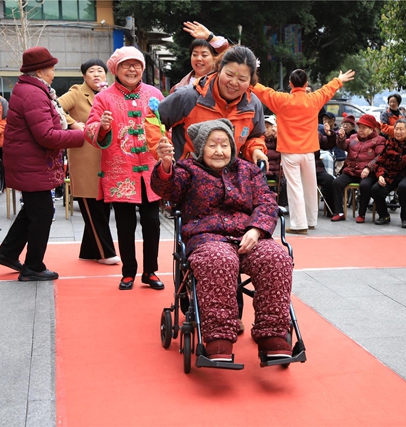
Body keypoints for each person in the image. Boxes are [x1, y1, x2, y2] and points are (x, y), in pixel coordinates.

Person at [151, 118, 294, 361]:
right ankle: (219, 338)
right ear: (200, 148)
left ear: (232, 147)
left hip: (248, 235)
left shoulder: (248, 171)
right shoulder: (187, 170)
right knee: (218, 260)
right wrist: (165, 165)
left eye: (224, 145)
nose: (219, 151)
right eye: (212, 145)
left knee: (276, 257)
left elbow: (266, 202)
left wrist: (256, 230)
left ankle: (273, 334)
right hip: (207, 237)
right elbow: (167, 190)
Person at [0, 46, 85, 281]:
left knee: (33, 210)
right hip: (31, 163)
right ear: (41, 71)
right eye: (52, 69)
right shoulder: (34, 93)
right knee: (42, 213)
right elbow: (46, 135)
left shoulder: (29, 89)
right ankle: (33, 266)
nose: (53, 73)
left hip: (28, 161)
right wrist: (81, 136)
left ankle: (7, 253)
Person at [85, 46, 165, 291]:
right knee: (124, 225)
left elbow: (166, 125)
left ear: (142, 68)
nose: (132, 69)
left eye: (136, 65)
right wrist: (103, 127)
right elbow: (89, 130)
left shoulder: (154, 94)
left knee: (152, 223)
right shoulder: (104, 97)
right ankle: (128, 272)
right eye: (126, 65)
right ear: (115, 69)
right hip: (120, 171)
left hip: (150, 170)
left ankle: (150, 271)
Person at [252, 68, 355, 234]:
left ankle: (299, 225)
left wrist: (248, 78)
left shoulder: (281, 99)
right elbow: (327, 89)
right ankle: (311, 220)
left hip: (289, 151)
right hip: (308, 151)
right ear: (306, 84)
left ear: (290, 84)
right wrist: (339, 79)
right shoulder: (313, 99)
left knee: (295, 188)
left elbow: (263, 91)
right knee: (310, 186)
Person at [154, 46, 268, 164]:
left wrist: (255, 150)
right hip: (186, 172)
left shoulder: (253, 105)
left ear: (251, 80)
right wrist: (163, 149)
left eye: (242, 79)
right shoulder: (189, 97)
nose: (234, 83)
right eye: (229, 75)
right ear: (219, 68)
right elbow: (154, 118)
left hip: (228, 174)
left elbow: (255, 136)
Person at [57, 59, 120, 265]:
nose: (96, 74)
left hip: (106, 157)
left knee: (102, 205)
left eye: (100, 71)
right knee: (92, 204)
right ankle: (105, 252)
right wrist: (73, 124)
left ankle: (89, 250)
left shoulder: (109, 93)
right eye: (91, 71)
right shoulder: (77, 92)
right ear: (84, 76)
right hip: (84, 157)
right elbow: (55, 107)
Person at [330, 114, 385, 222]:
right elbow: (343, 146)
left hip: (368, 173)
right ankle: (339, 212)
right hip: (351, 171)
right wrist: (341, 138)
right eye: (359, 127)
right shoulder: (353, 138)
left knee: (365, 185)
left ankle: (361, 214)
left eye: (364, 128)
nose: (360, 130)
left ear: (371, 129)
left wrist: (368, 167)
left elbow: (380, 156)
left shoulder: (379, 140)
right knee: (336, 183)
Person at [171, 21, 229, 93]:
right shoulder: (178, 88)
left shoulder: (223, 84)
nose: (198, 58)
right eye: (195, 54)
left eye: (204, 55)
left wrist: (210, 37)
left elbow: (229, 54)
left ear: (215, 58)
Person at [264, 115, 287, 208]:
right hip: (265, 170)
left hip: (277, 170)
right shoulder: (261, 139)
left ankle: (281, 205)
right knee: (261, 182)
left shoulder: (278, 139)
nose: (265, 130)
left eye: (268, 127)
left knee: (284, 182)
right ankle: (266, 205)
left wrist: (278, 136)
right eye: (264, 127)